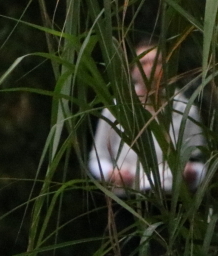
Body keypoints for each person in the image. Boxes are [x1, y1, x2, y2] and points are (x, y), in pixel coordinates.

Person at [88, 42, 205, 197]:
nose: (150, 68)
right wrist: (111, 173)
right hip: (128, 197)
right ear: (132, 70)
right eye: (143, 62)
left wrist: (192, 173)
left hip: (171, 197)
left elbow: (200, 161)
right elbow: (97, 158)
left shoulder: (184, 108)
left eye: (157, 62)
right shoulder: (117, 108)